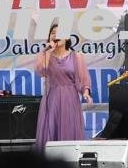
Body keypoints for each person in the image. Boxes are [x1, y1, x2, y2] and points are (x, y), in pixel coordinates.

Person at [34, 24, 92, 152]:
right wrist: (49, 51)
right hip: (52, 99)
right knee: (50, 131)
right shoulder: (45, 55)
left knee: (69, 131)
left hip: (70, 99)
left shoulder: (76, 57)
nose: (56, 35)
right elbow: (41, 71)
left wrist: (86, 92)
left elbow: (83, 79)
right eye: (53, 33)